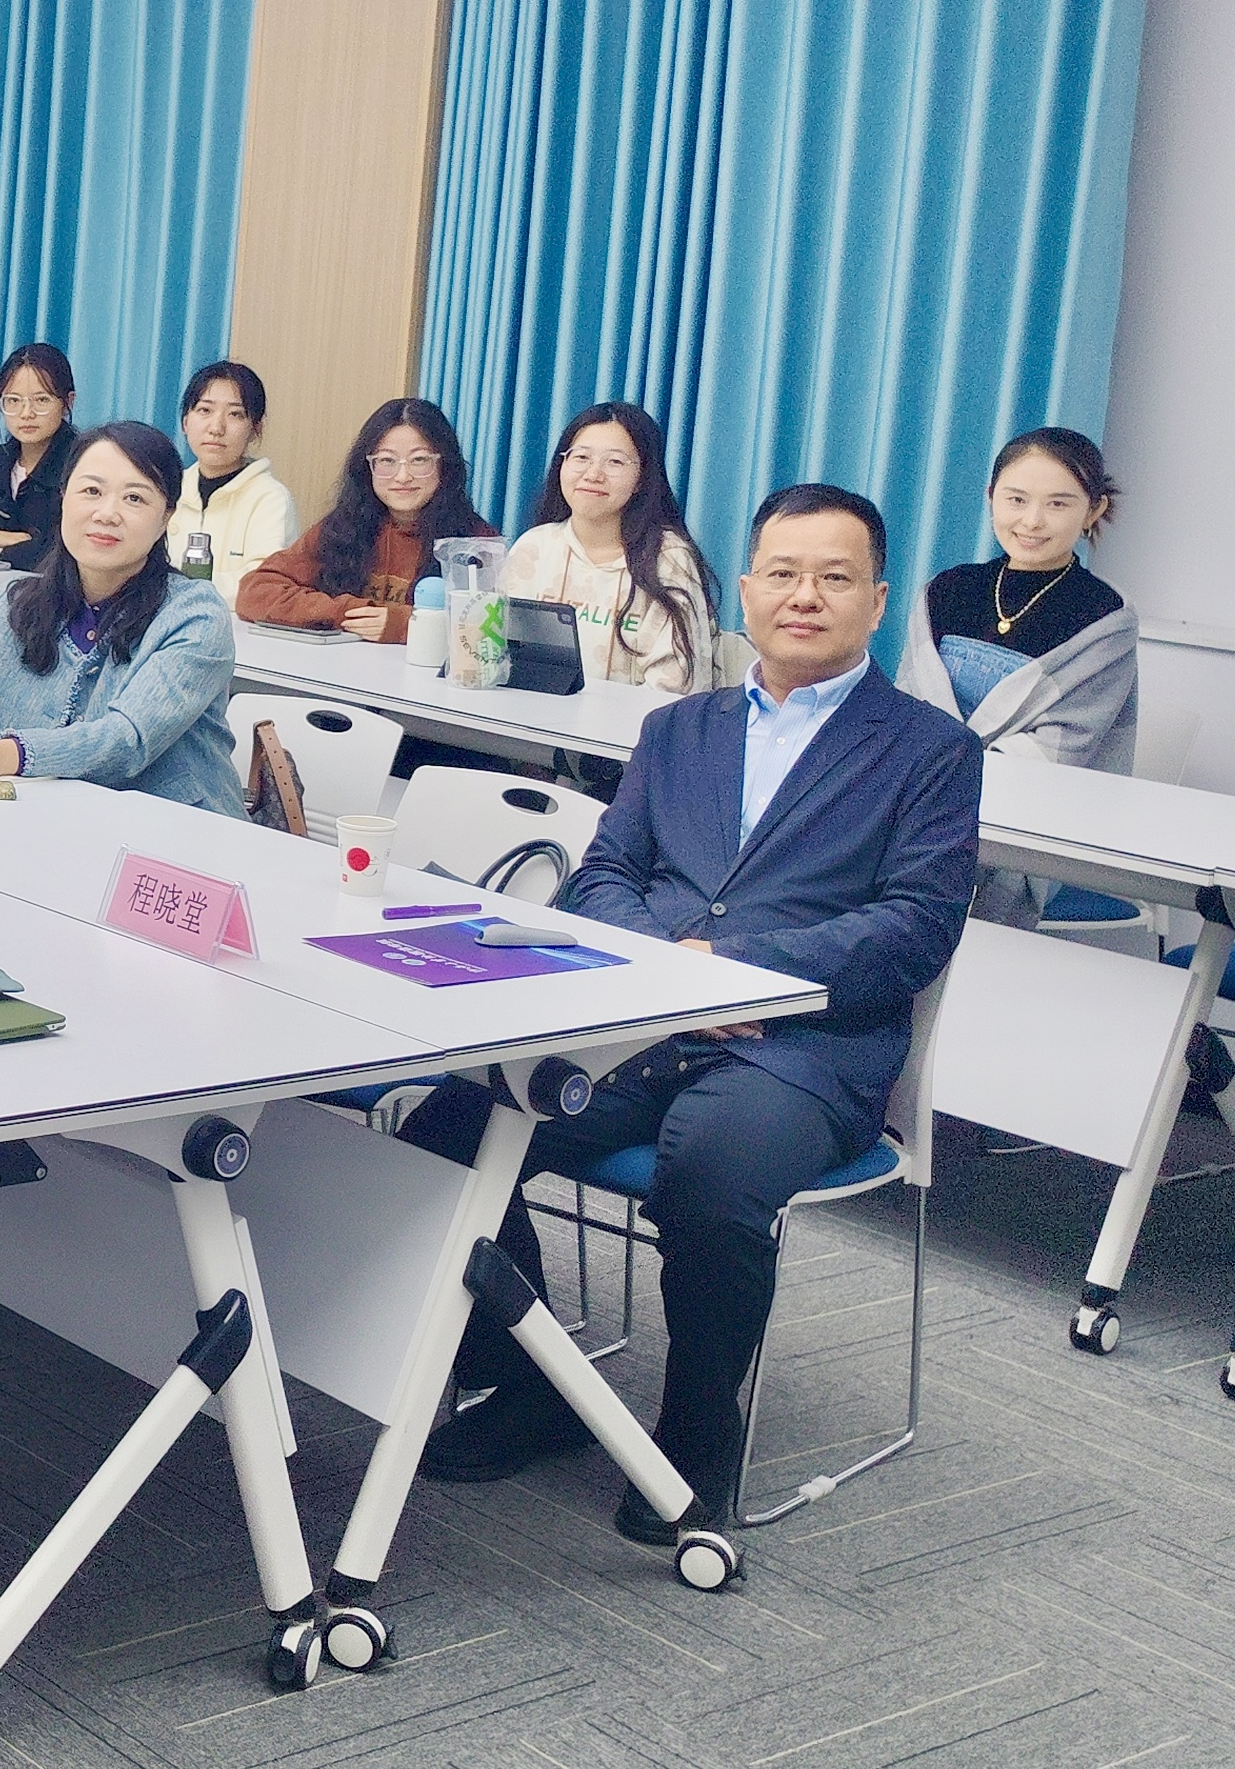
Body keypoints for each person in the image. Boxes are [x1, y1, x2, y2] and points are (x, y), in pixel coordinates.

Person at [397, 484, 980, 1531]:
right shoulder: (678, 729)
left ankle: (696, 1430)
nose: (805, 597)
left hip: (802, 1046)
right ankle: (537, 1384)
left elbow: (916, 926)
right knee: (446, 1131)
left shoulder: (930, 750)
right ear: (745, 591)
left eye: (835, 578)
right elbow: (603, 874)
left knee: (709, 1175)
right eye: (784, 574)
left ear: (878, 600)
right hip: (643, 1019)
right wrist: (669, 971)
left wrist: (735, 969)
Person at [0, 422, 243, 813]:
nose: (107, 514)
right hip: (35, 823)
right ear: (63, 499)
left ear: (166, 517)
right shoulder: (16, 604)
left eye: (134, 498)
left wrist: (4, 754)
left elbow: (127, 740)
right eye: (91, 491)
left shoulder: (195, 614)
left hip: (175, 832)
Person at [896, 426, 1137, 774]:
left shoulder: (1106, 617)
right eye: (1017, 500)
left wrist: (951, 773)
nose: (1032, 521)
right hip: (920, 784)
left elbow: (1063, 748)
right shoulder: (945, 590)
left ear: (1093, 510)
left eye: (1057, 504)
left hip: (1030, 798)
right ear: (991, 497)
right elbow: (906, 706)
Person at [236, 396, 495, 644]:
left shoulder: (476, 542)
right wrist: (347, 612)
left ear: (445, 466)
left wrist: (402, 624)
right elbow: (255, 591)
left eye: (419, 460)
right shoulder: (342, 527)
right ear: (366, 467)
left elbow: (490, 626)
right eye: (386, 461)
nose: (402, 476)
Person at [504, 401, 712, 690]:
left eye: (614, 462)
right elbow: (497, 655)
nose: (593, 474)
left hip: (632, 721)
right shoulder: (534, 548)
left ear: (642, 479)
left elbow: (676, 687)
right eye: (581, 457)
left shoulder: (668, 559)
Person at [165, 359, 293, 590]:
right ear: (185, 422)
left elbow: (262, 586)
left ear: (255, 430)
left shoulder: (271, 499)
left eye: (235, 414)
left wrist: (175, 588)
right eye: (205, 410)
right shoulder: (168, 488)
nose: (216, 428)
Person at [0, 343, 78, 574]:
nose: (26, 413)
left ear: (67, 402)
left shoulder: (85, 469)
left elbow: (67, 551)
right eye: (13, 400)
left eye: (41, 400)